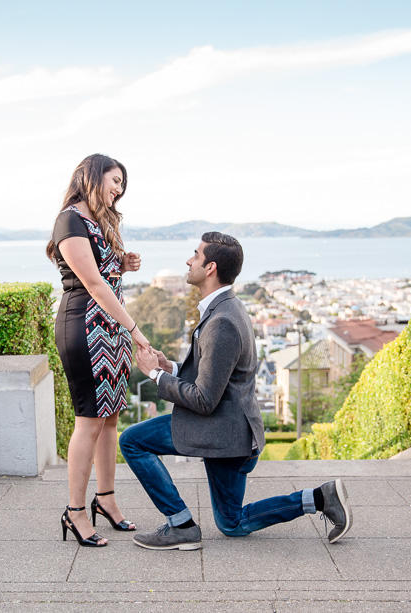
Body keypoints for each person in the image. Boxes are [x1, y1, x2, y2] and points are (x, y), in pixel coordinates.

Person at [120, 232, 352, 550]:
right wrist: (170, 368)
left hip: (225, 435)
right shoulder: (227, 307)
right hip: (232, 430)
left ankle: (181, 524)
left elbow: (204, 399)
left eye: (195, 255)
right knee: (232, 523)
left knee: (132, 441)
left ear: (211, 267)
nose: (189, 261)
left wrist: (156, 375)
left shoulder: (223, 321)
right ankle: (319, 498)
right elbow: (215, 376)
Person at [46, 154, 150, 547]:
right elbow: (90, 283)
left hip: (108, 331)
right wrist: (135, 330)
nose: (118, 189)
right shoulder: (69, 220)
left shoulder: (95, 222)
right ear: (92, 176)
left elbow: (103, 273)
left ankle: (105, 499)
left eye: (122, 184)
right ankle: (74, 511)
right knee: (89, 421)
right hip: (86, 329)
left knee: (109, 419)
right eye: (115, 180)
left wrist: (122, 264)